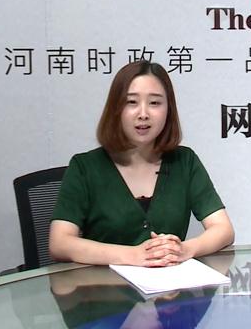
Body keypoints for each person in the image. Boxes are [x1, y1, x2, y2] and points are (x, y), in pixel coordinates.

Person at [49, 60, 234, 267]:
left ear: (169, 109)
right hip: (103, 285)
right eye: (131, 102)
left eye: (155, 103)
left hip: (169, 285)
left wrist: (184, 250)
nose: (143, 114)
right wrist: (133, 256)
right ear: (115, 108)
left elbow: (223, 229)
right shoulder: (85, 167)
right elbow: (60, 243)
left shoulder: (184, 161)